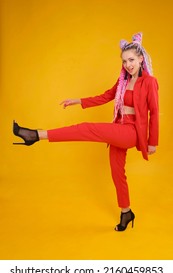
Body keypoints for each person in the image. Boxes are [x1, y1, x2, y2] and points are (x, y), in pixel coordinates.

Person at [13, 32, 159, 232]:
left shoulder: (149, 82)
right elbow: (106, 96)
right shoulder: (123, 81)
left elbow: (155, 113)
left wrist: (153, 142)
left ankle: (35, 135)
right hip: (119, 126)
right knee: (117, 173)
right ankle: (126, 212)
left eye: (131, 60)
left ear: (141, 59)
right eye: (125, 61)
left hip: (132, 131)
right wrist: (79, 101)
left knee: (88, 129)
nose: (128, 65)